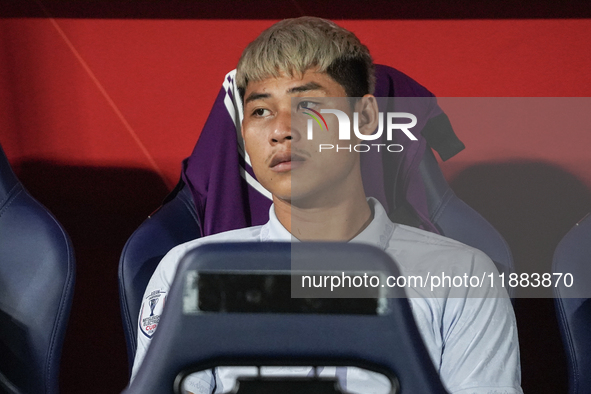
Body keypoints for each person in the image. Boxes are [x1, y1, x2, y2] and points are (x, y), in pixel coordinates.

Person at [130, 17, 522, 394]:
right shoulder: (188, 271)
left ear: (365, 117)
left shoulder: (462, 275)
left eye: (309, 105)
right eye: (260, 111)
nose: (281, 130)